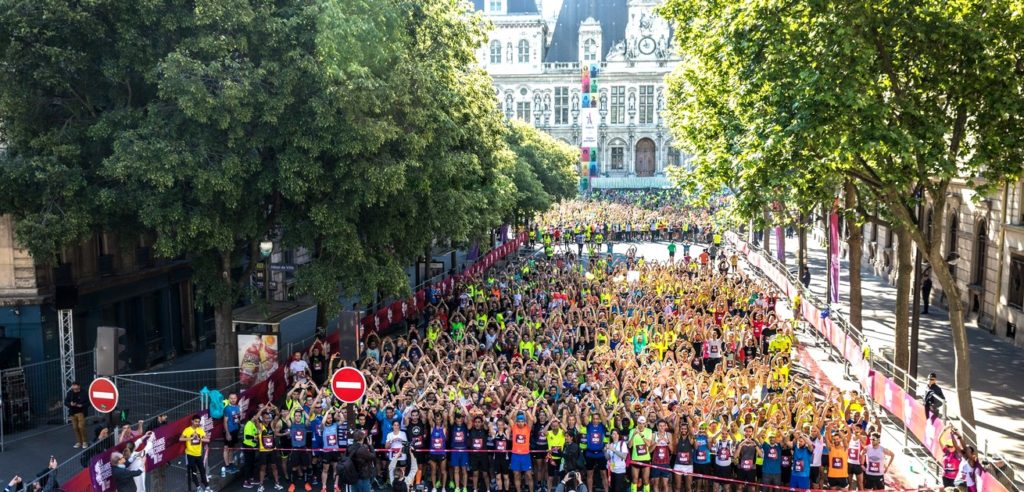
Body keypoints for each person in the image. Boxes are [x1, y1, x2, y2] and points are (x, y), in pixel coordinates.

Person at [180, 414, 211, 492]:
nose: (197, 423)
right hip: (190, 454)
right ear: (192, 421)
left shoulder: (200, 430)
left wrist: (200, 438)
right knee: (193, 472)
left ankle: (207, 487)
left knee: (202, 471)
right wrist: (190, 438)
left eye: (198, 422)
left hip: (198, 454)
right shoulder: (187, 430)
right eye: (196, 421)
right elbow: (180, 439)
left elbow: (207, 440)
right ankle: (198, 488)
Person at [65, 381, 88, 448]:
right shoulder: (70, 393)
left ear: (79, 386)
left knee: (81, 427)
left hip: (81, 412)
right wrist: (70, 404)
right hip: (73, 412)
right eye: (72, 385)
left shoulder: (84, 392)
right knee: (75, 428)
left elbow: (88, 402)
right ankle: (79, 442)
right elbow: (66, 402)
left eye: (75, 385)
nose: (73, 387)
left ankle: (84, 442)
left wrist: (82, 405)